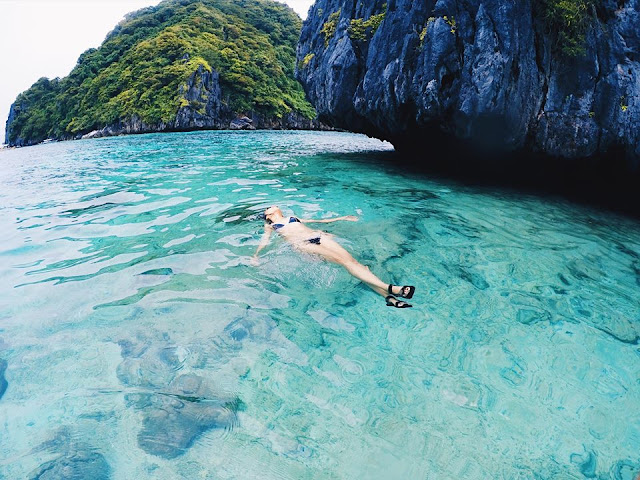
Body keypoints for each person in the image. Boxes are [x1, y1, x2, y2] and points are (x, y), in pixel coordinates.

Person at [252, 206, 415, 308]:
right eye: (269, 207)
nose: (273, 206)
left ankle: (389, 298)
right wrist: (256, 256)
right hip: (304, 244)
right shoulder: (270, 226)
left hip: (318, 236)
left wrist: (341, 218)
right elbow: (264, 241)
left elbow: (320, 221)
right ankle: (391, 288)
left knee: (354, 263)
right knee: (347, 263)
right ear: (268, 214)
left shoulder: (293, 217)